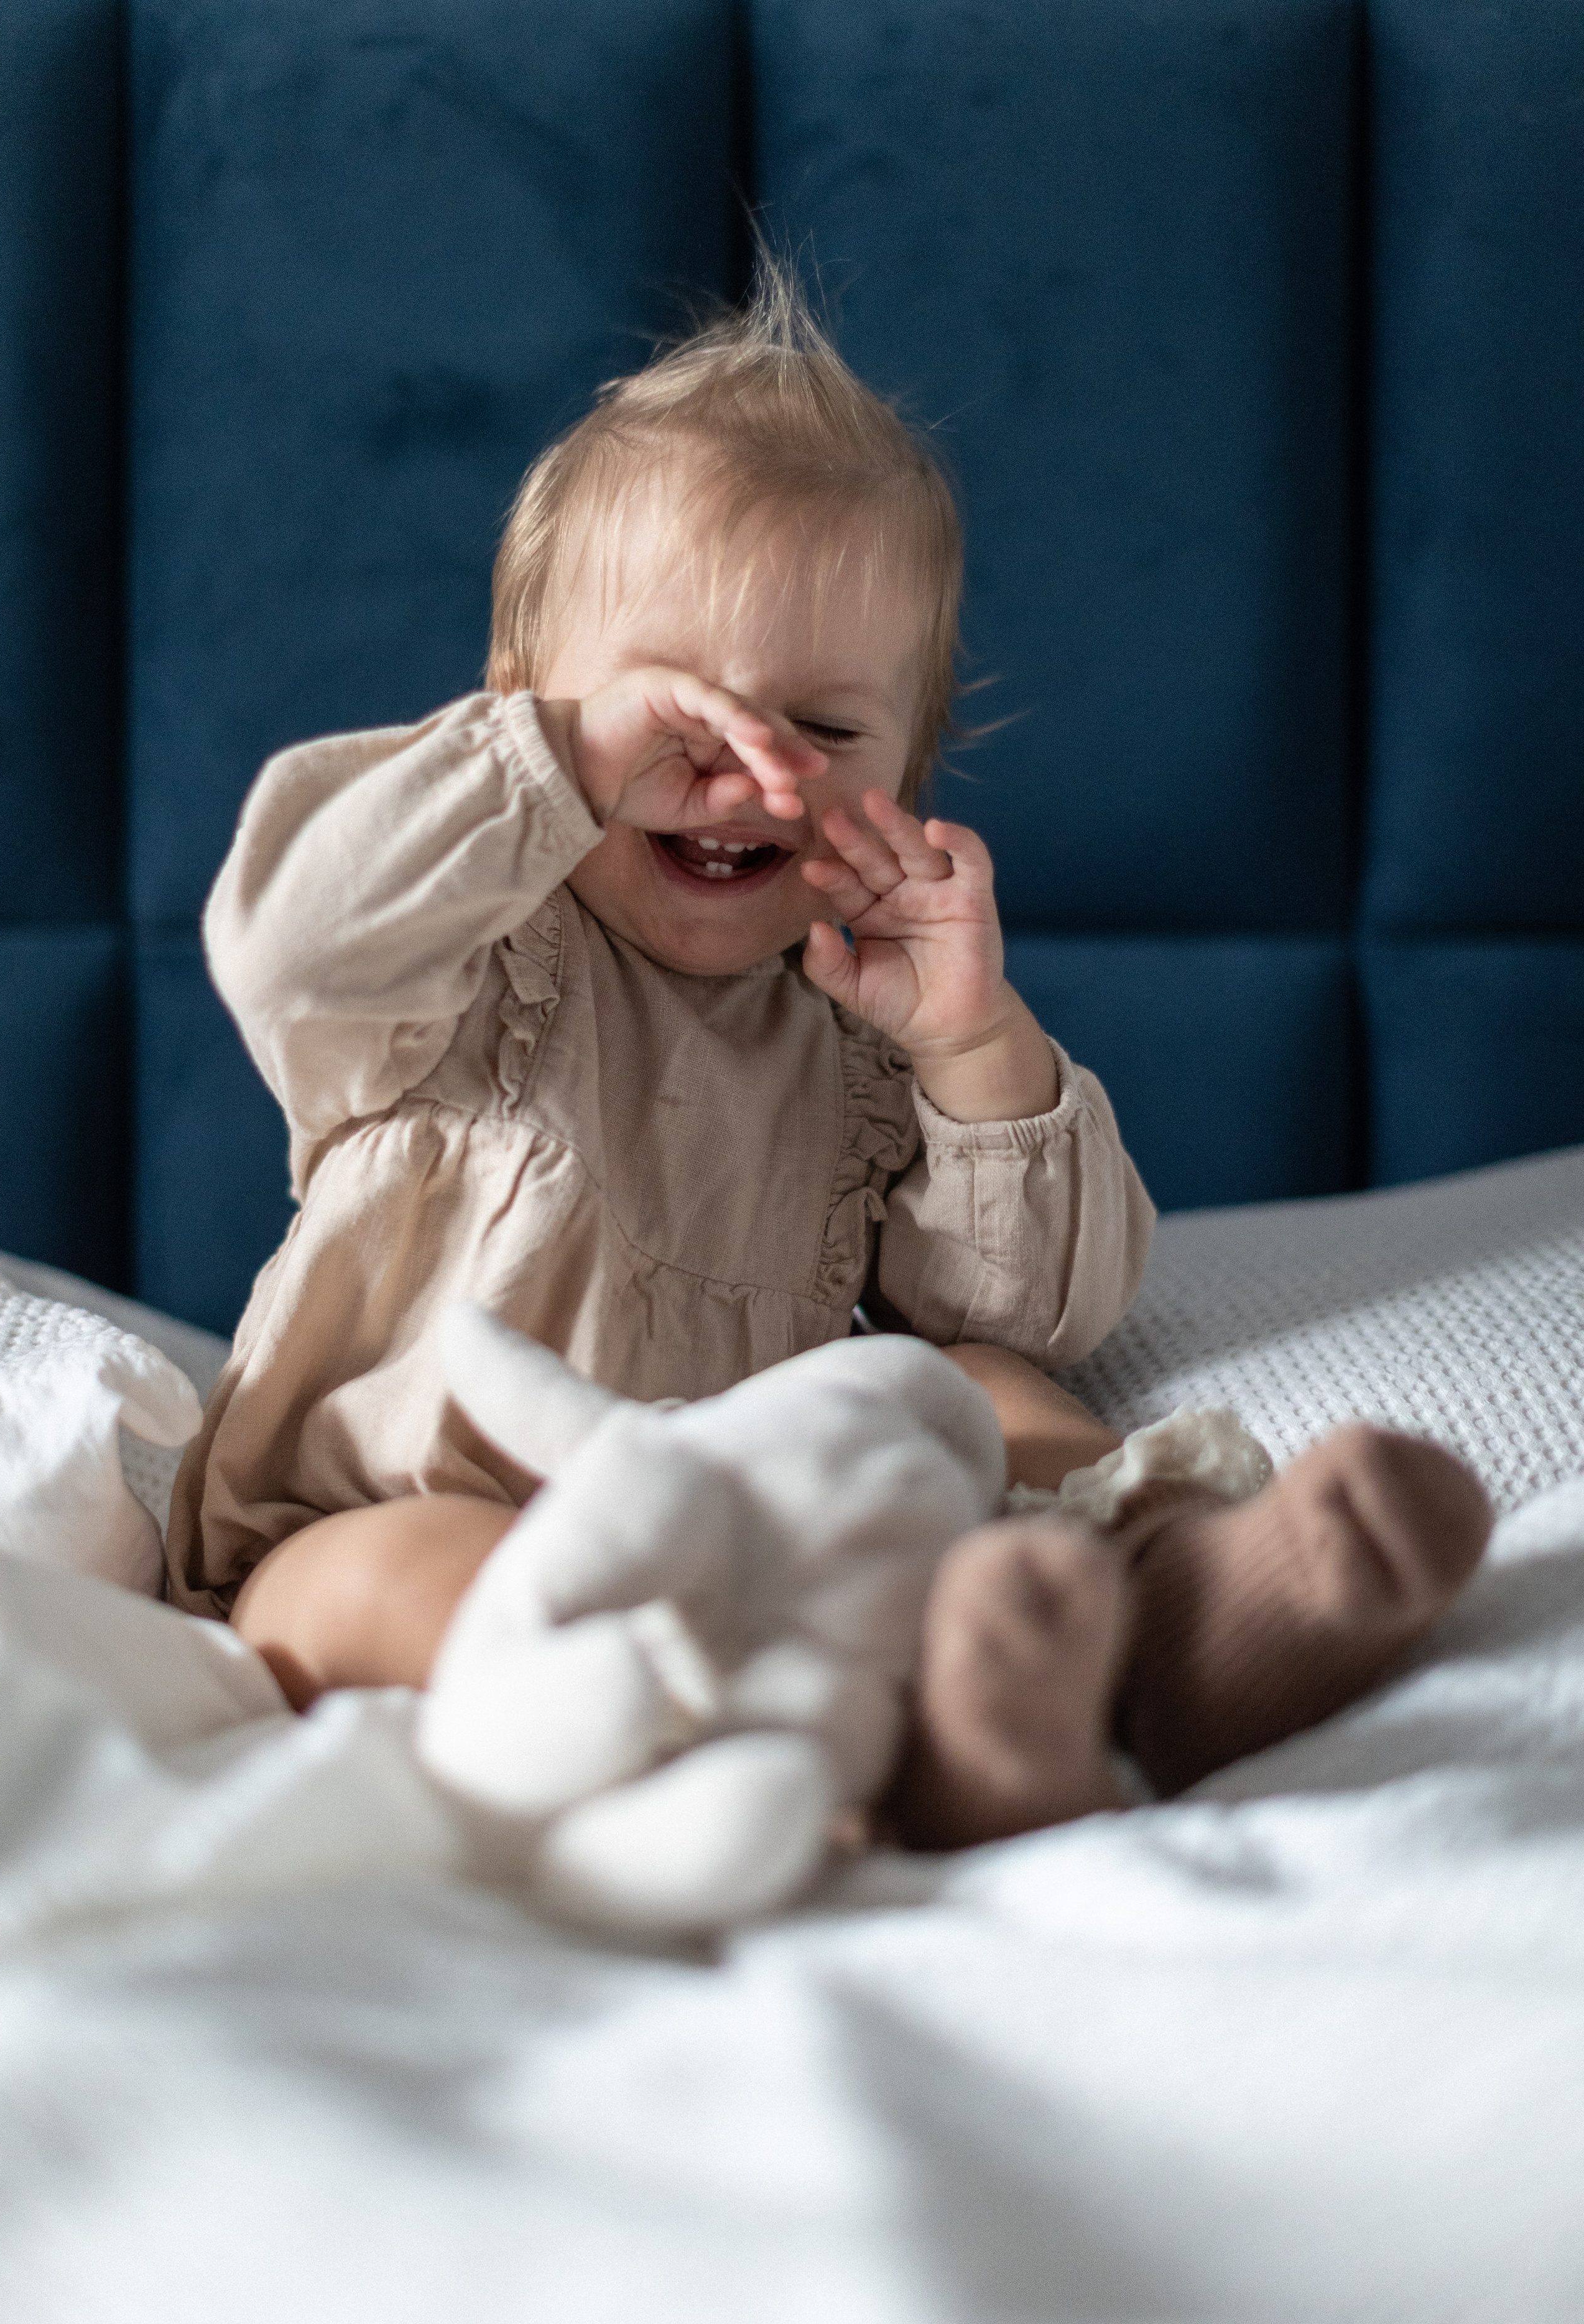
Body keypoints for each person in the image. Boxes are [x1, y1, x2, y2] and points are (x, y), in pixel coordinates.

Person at [165, 264, 1488, 1851]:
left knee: (983, 1386)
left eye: (826, 733)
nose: (747, 777)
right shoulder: (455, 958)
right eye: (674, 719)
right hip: (382, 1507)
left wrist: (969, 1045)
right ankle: (753, 1731)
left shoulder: (849, 1041)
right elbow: (285, 937)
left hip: (771, 1529)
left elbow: (1030, 1307)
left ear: (909, 775)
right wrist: (548, 778)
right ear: (526, 721)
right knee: (383, 1579)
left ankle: (1148, 1617)